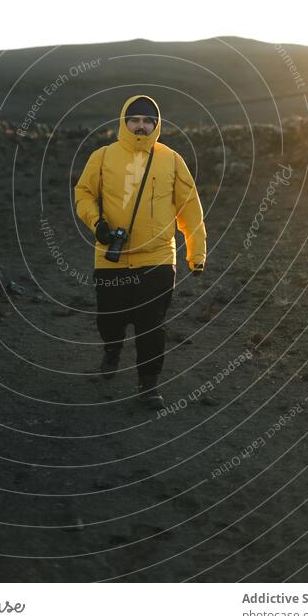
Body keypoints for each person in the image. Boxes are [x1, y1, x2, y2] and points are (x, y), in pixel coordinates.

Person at [74, 94, 206, 409]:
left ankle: (149, 384)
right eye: (135, 119)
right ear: (124, 121)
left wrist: (196, 254)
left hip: (158, 259)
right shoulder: (102, 157)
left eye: (149, 120)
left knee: (152, 325)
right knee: (109, 320)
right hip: (111, 257)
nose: (142, 126)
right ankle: (112, 348)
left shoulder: (172, 159)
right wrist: (98, 225)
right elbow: (84, 194)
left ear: (157, 125)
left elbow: (190, 210)